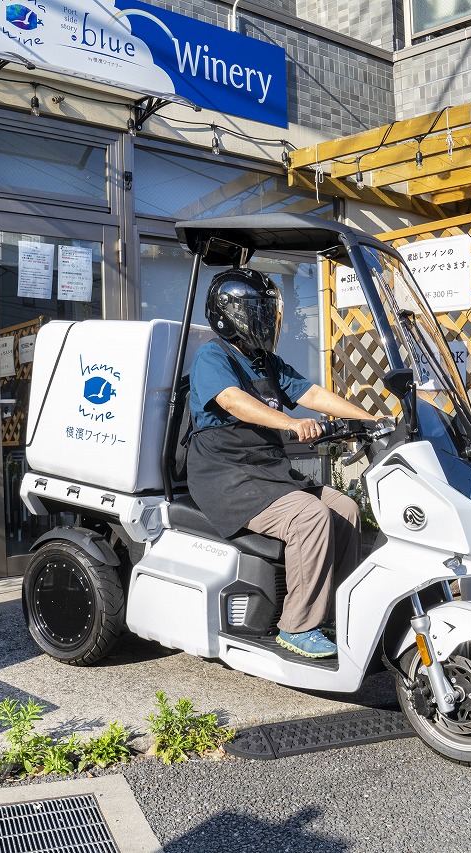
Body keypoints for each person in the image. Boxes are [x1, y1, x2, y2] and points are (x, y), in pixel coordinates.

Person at [187, 267, 374, 659]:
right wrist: (290, 423)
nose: (267, 320)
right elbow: (231, 400)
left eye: (268, 312)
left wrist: (371, 420)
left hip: (265, 471)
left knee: (345, 508)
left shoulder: (266, 362)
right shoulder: (212, 355)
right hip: (227, 475)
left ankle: (335, 612)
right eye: (257, 312)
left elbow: (313, 393)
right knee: (310, 516)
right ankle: (297, 626)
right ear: (231, 315)